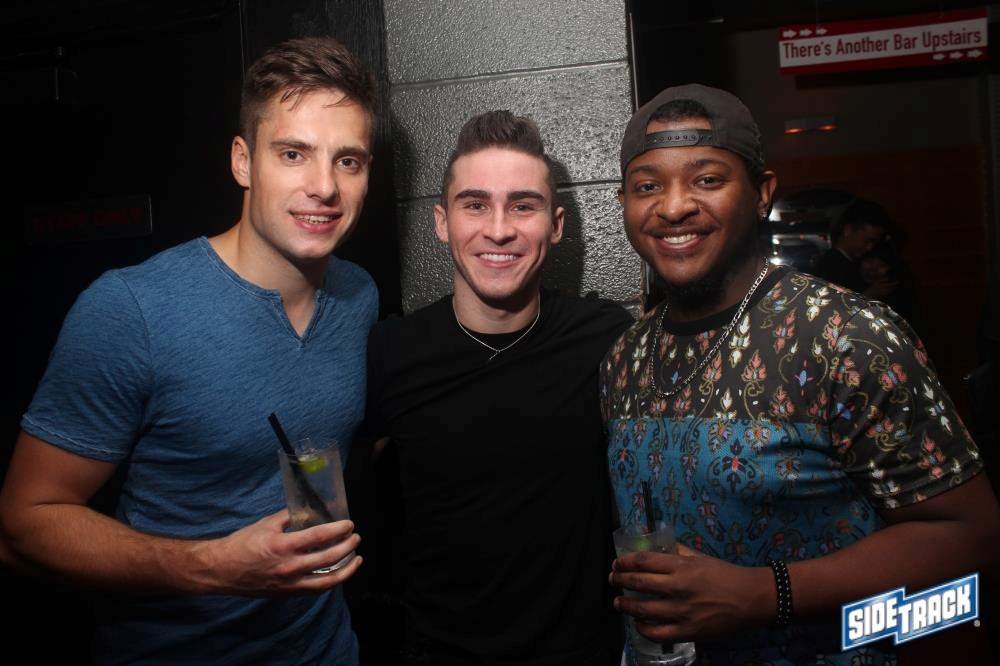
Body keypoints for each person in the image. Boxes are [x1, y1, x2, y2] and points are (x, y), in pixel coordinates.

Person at [0, 37, 378, 664]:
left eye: (349, 161)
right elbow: (23, 525)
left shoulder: (358, 296)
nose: (323, 187)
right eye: (293, 154)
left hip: (327, 649)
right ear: (243, 162)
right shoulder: (132, 311)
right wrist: (212, 566)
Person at [603, 84, 999, 664]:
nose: (673, 206)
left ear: (762, 194)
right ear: (624, 203)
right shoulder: (625, 356)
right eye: (647, 186)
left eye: (707, 179)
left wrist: (767, 594)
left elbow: (972, 537)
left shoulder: (847, 337)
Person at [363, 110, 632, 664]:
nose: (499, 229)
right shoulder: (391, 352)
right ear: (442, 222)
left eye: (523, 205)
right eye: (475, 205)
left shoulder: (604, 337)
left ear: (556, 225)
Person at [811, 198, 896, 299]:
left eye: (874, 243)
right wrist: (869, 294)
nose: (870, 247)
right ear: (848, 230)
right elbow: (830, 304)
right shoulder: (832, 265)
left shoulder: (847, 263)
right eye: (867, 241)